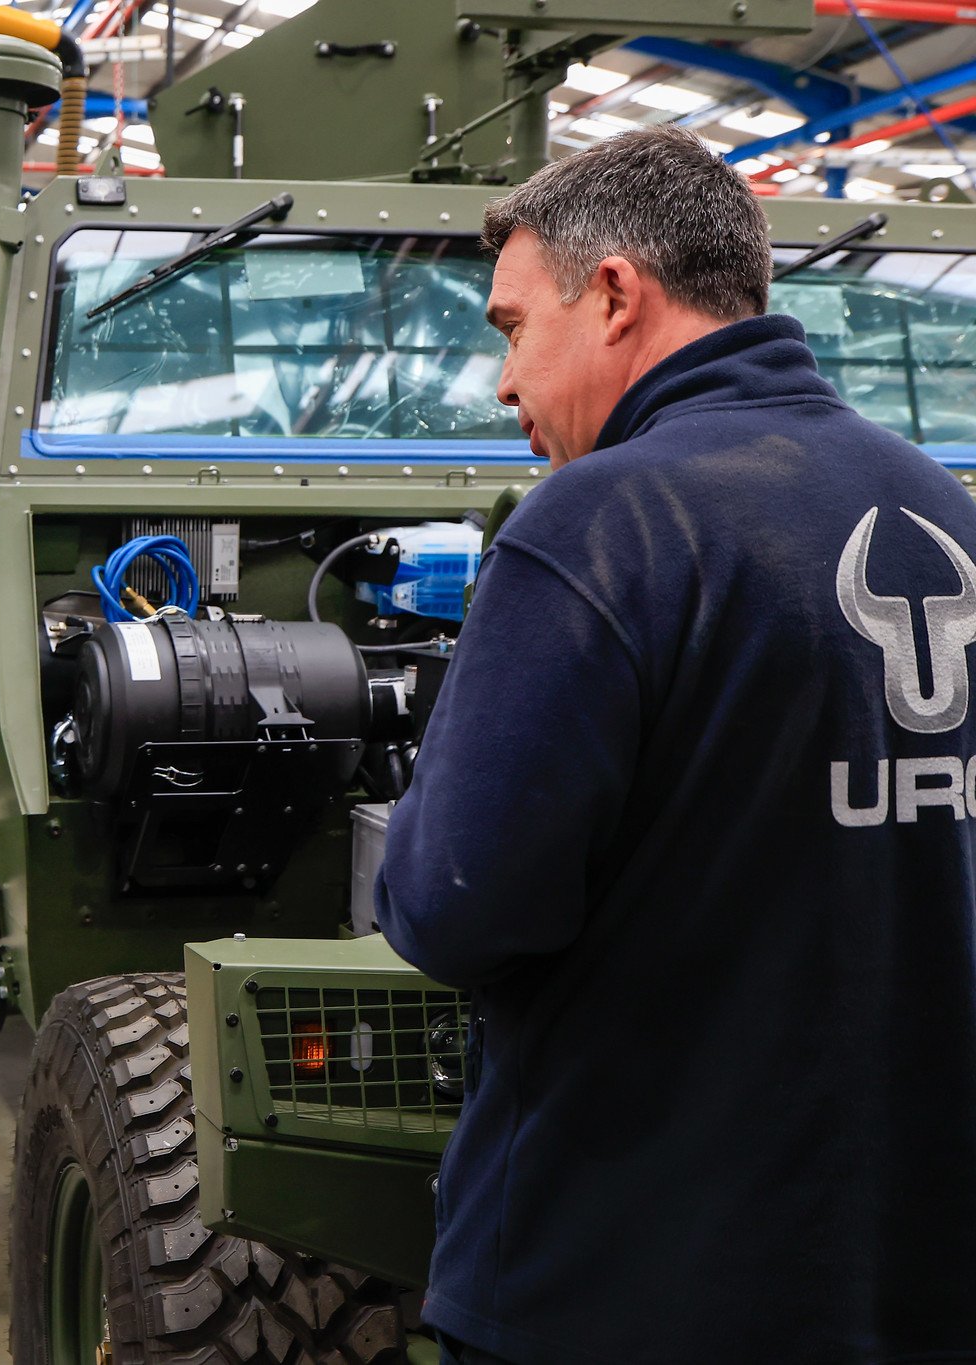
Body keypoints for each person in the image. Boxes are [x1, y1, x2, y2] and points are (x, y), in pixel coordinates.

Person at [375, 125, 976, 1365]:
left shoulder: (601, 522)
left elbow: (453, 908)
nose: (502, 385)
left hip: (621, 1281)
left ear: (609, 298)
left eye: (507, 327)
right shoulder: (939, 505)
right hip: (908, 1270)